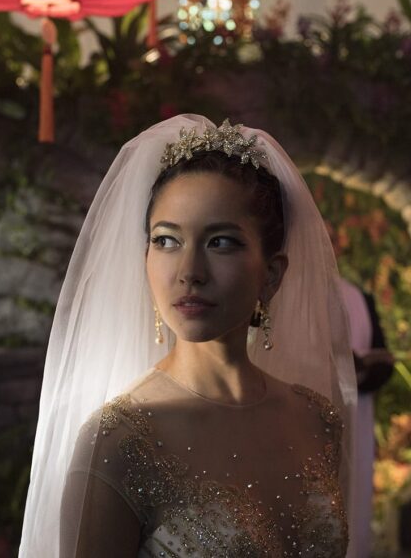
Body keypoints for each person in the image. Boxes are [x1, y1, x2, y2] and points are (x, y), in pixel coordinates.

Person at [18, 115, 359, 557]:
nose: (189, 273)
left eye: (221, 242)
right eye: (166, 241)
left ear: (271, 274)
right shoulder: (119, 441)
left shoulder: (319, 419)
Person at [338, 278, 394, 557]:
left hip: (356, 415)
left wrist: (361, 369)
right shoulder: (283, 294)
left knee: (353, 501)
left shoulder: (359, 297)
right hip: (304, 419)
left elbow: (380, 354)